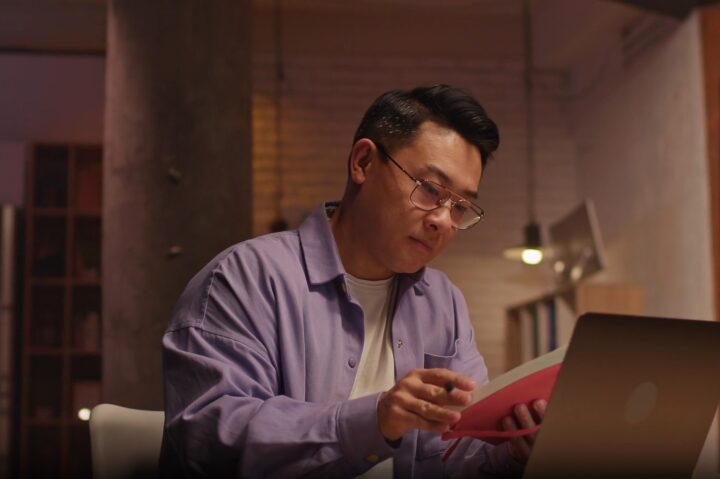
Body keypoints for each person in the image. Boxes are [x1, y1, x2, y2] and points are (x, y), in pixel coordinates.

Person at [159, 84, 546, 478]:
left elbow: (455, 454)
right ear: (363, 162)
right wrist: (372, 421)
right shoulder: (244, 279)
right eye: (430, 189)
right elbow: (207, 440)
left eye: (460, 206)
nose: (443, 220)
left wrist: (512, 452)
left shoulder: (443, 304)